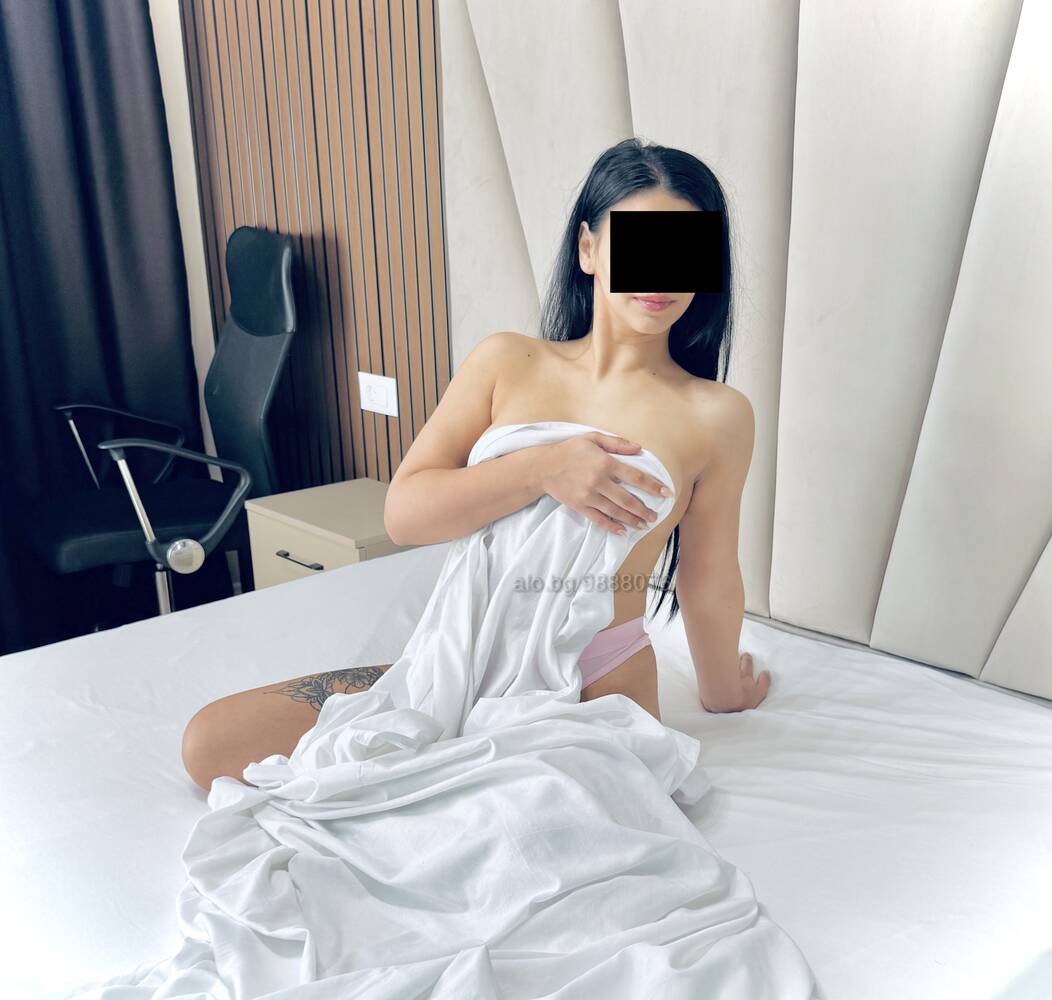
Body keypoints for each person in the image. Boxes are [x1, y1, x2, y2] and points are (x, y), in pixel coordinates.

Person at [181, 137, 771, 792]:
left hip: (596, 676)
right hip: (460, 652)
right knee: (210, 743)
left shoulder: (717, 414)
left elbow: (708, 574)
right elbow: (405, 516)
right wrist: (542, 468)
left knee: (514, 821)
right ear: (588, 249)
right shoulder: (506, 362)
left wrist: (724, 692)